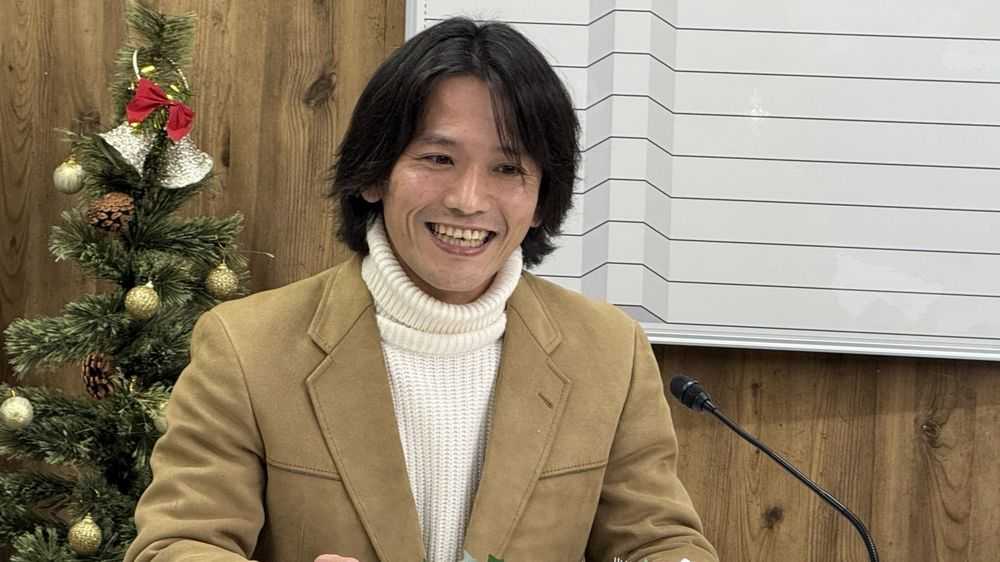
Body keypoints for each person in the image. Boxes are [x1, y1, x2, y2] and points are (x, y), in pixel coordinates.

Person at [124, 17, 718, 562]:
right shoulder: (247, 347)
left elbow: (660, 541)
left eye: (507, 168)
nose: (468, 199)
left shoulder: (609, 351)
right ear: (375, 174)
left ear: (541, 199)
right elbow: (177, 544)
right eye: (437, 158)